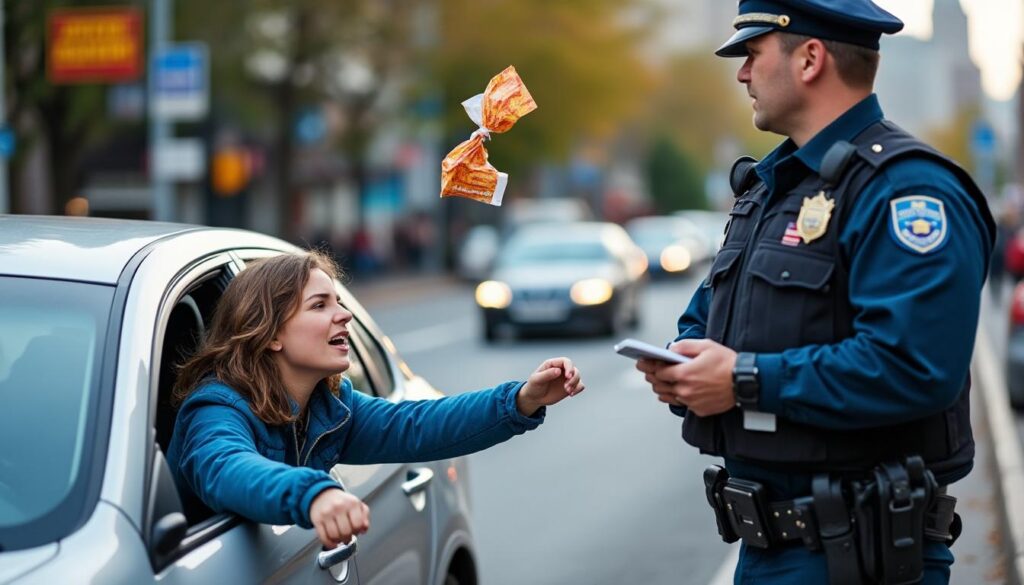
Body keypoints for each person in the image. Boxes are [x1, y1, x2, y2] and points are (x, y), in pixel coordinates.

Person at [634, 1, 995, 584]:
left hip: (862, 556)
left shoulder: (906, 191)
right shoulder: (771, 189)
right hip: (769, 550)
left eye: (752, 55)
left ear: (809, 59)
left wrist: (742, 379)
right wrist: (685, 369)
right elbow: (705, 319)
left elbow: (914, 367)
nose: (742, 74)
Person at [167, 250, 584, 549]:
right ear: (270, 333)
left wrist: (522, 399)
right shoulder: (216, 408)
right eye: (320, 305)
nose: (344, 314)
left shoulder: (330, 407)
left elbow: (418, 424)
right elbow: (226, 467)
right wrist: (314, 494)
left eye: (339, 302)